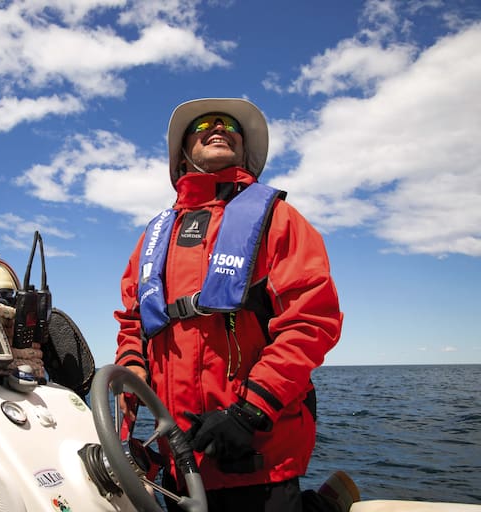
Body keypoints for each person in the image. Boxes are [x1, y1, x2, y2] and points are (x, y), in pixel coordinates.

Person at [114, 98, 360, 512]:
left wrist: (249, 413)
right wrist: (132, 377)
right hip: (180, 465)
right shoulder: (153, 238)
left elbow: (310, 321)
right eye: (204, 124)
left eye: (230, 124)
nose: (218, 127)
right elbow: (133, 322)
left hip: (258, 457)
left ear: (243, 149)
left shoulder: (279, 219)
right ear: (183, 154)